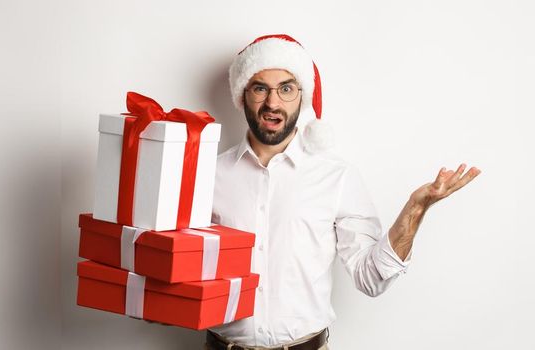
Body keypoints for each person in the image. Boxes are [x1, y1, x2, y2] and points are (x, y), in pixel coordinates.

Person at [205, 34, 481, 350]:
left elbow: (372, 278)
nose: (273, 103)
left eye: (286, 88)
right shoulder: (208, 176)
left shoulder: (335, 176)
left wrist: (415, 210)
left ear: (302, 96)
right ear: (242, 95)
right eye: (260, 88)